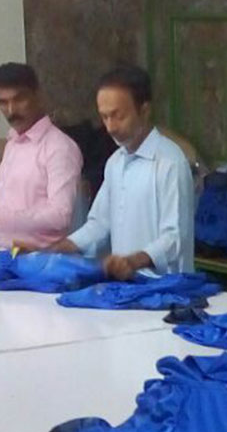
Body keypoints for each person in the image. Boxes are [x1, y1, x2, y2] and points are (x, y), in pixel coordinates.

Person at [56, 65, 195, 278]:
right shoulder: (115, 163)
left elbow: (175, 237)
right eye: (104, 117)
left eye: (118, 116)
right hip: (127, 285)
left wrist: (133, 261)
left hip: (168, 287)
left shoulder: (170, 163)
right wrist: (58, 248)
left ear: (144, 111)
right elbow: (99, 224)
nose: (110, 127)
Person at [0, 62, 83, 250]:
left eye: (19, 99)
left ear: (37, 96)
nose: (11, 111)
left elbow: (60, 215)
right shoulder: (13, 143)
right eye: (3, 102)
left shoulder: (59, 147)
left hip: (35, 260)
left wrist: (5, 218)